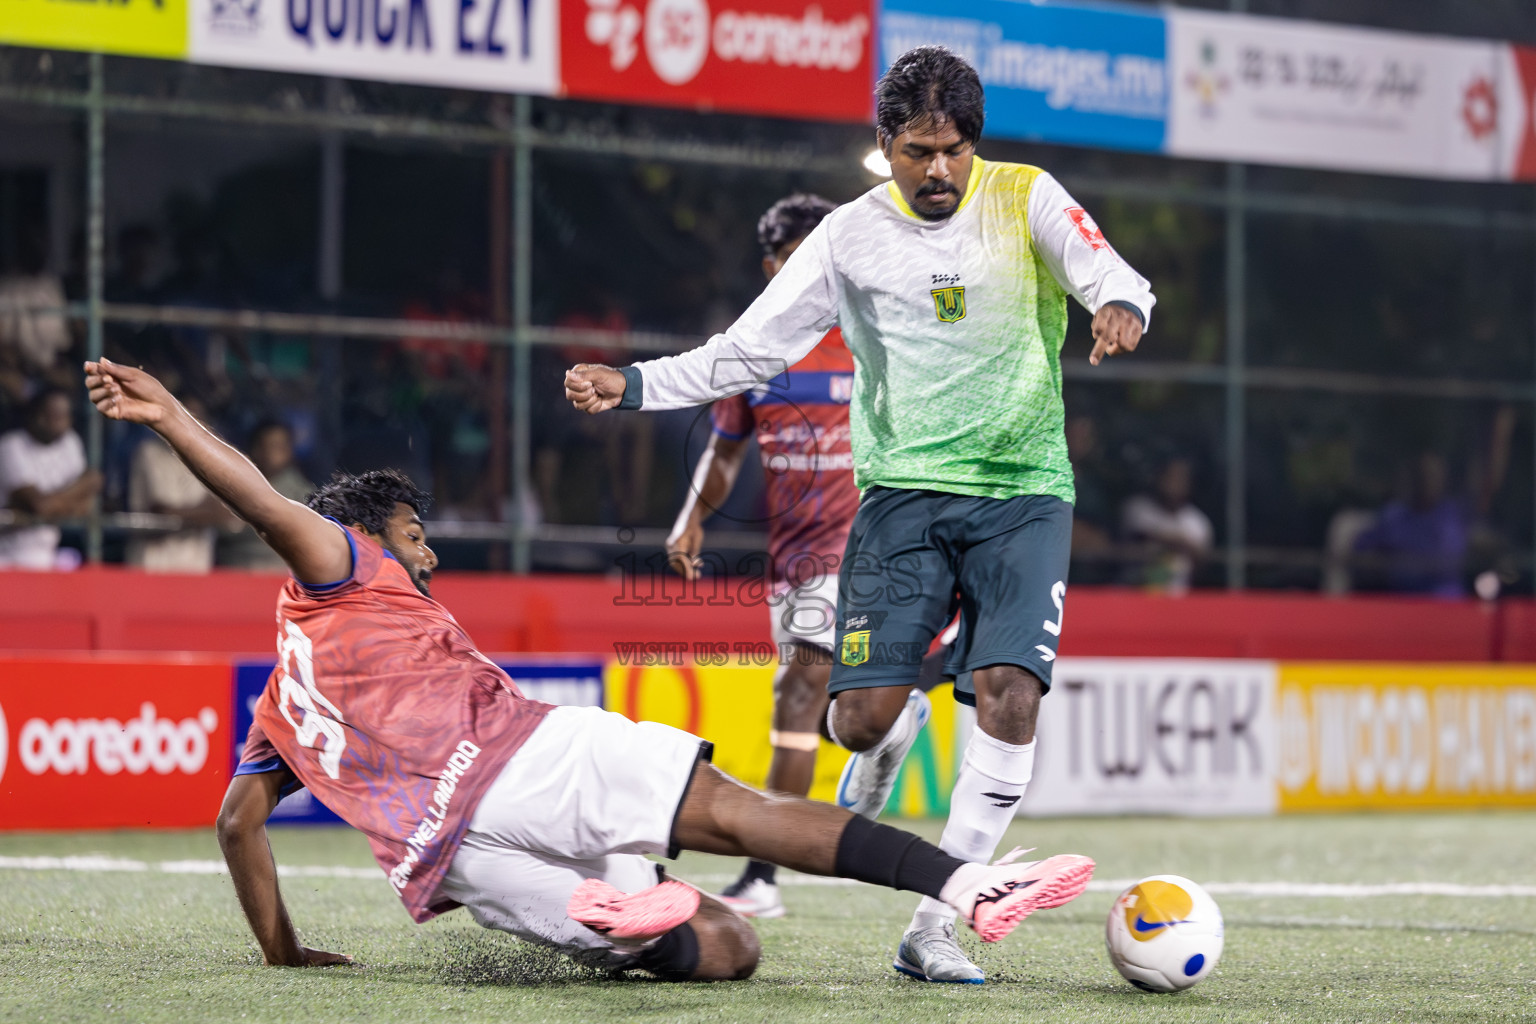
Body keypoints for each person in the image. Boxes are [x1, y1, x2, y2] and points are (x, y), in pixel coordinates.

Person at [84, 356, 1094, 981]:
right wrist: (172, 416)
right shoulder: (343, 561)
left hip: (457, 853)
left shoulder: (278, 704)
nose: (428, 553)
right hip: (531, 756)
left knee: (730, 947)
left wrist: (281, 951)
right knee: (740, 813)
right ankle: (962, 887)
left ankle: (611, 911)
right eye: (416, 533)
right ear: (365, 534)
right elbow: (263, 500)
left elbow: (235, 822)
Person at [565, 45, 1151, 984]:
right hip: (903, 497)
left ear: (975, 143)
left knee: (1012, 694)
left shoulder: (1027, 195)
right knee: (857, 721)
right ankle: (891, 726)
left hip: (1023, 493)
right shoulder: (847, 236)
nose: (938, 170)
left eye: (954, 149)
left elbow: (1112, 270)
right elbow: (746, 353)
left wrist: (1119, 305)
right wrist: (633, 384)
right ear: (885, 145)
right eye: (918, 150)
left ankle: (935, 925)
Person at [665, 194, 858, 920]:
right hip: (794, 563)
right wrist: (691, 522)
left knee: (797, 692)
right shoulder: (751, 350)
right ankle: (892, 716)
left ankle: (763, 876)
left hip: (867, 547)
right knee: (826, 709)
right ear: (772, 266)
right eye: (796, 257)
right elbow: (723, 448)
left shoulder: (874, 337)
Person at [126, 395, 239, 573]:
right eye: (182, 416)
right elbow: (162, 511)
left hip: (196, 566)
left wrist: (184, 513)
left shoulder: (213, 456)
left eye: (194, 418)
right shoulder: (147, 452)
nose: (187, 424)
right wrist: (204, 511)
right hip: (152, 563)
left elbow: (227, 514)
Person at [0, 388, 100, 569]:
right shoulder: (11, 445)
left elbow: (86, 506)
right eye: (52, 415)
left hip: (48, 554)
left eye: (63, 416)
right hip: (7, 556)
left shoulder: (70, 441)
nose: (58, 422)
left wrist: (51, 504)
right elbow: (39, 506)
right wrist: (82, 487)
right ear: (35, 416)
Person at [219, 419, 316, 570]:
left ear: (289, 451)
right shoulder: (230, 483)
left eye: (278, 447)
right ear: (254, 449)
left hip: (277, 574)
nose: (269, 453)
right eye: (263, 446)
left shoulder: (303, 493)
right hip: (231, 569)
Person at [1120, 455, 1212, 594]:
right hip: (1134, 593)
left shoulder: (1197, 522)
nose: (1173, 483)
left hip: (1177, 597)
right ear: (1159, 477)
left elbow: (1201, 560)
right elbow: (1141, 533)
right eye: (1169, 476)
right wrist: (1180, 542)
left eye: (1180, 478)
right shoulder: (1138, 508)